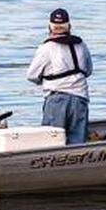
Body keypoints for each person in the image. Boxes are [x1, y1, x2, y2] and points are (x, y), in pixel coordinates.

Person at [27, 8, 93, 144]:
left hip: (56, 100)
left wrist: (44, 80)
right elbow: (88, 71)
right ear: (69, 26)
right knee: (78, 143)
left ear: (50, 27)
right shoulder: (81, 45)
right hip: (80, 99)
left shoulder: (46, 48)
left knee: (51, 142)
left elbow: (31, 75)